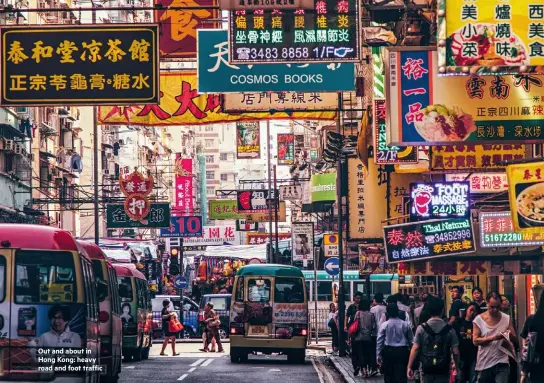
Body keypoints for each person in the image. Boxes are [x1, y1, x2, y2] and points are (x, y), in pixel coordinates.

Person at [407, 297, 459, 383]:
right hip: (443, 368)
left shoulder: (421, 328)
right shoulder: (450, 329)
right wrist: (456, 366)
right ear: (442, 310)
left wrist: (409, 366)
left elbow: (415, 348)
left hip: (426, 368)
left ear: (429, 311)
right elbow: (456, 352)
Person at [473, 292, 517, 383]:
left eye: (497, 307)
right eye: (492, 307)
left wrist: (508, 336)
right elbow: (475, 341)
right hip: (485, 362)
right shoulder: (479, 319)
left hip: (502, 361)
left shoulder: (506, 318)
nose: (495, 310)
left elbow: (515, 339)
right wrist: (493, 338)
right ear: (487, 303)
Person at [377, 303, 413, 383]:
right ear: (397, 311)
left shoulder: (384, 325)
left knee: (389, 375)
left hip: (388, 352)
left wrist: (378, 355)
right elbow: (411, 341)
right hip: (402, 352)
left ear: (387, 312)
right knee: (402, 374)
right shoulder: (405, 324)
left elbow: (379, 341)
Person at [520, 292, 544, 383]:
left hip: (538, 367)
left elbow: (528, 347)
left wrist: (524, 372)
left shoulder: (533, 320)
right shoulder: (533, 320)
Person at [454, 303, 479, 383]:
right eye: (471, 310)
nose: (472, 313)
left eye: (474, 311)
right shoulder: (458, 323)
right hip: (461, 355)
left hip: (474, 355)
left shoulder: (477, 324)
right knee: (460, 378)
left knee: (473, 378)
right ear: (466, 310)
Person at [352, 299, 376, 377]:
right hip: (368, 337)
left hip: (358, 336)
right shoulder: (371, 315)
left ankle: (363, 370)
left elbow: (355, 324)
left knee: (360, 353)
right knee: (366, 353)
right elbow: (373, 326)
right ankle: (365, 369)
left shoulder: (358, 313)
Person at [371, 292, 387, 373]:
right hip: (385, 333)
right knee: (384, 350)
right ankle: (383, 366)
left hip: (375, 333)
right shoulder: (386, 308)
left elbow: (372, 322)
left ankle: (375, 366)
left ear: (375, 299)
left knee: (375, 350)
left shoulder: (373, 309)